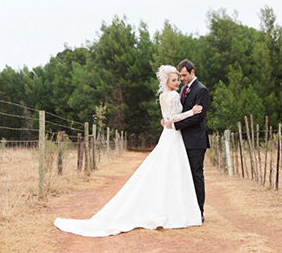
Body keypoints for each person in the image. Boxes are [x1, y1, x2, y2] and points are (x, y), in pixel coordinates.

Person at [54, 65, 203, 237]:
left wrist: (167, 121)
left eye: (178, 79)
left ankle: (167, 205)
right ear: (167, 81)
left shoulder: (163, 96)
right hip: (173, 135)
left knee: (166, 169)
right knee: (172, 170)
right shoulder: (174, 95)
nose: (177, 83)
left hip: (168, 134)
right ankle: (173, 209)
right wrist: (191, 112)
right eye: (174, 80)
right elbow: (174, 118)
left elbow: (166, 119)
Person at [162, 59, 210, 222]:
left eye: (183, 75)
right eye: (179, 76)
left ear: (192, 72)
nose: (181, 79)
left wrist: (174, 125)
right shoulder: (183, 89)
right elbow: (175, 111)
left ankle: (199, 211)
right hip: (181, 140)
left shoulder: (201, 90)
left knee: (196, 175)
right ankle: (185, 209)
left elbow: (198, 118)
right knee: (183, 176)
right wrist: (168, 120)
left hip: (196, 141)